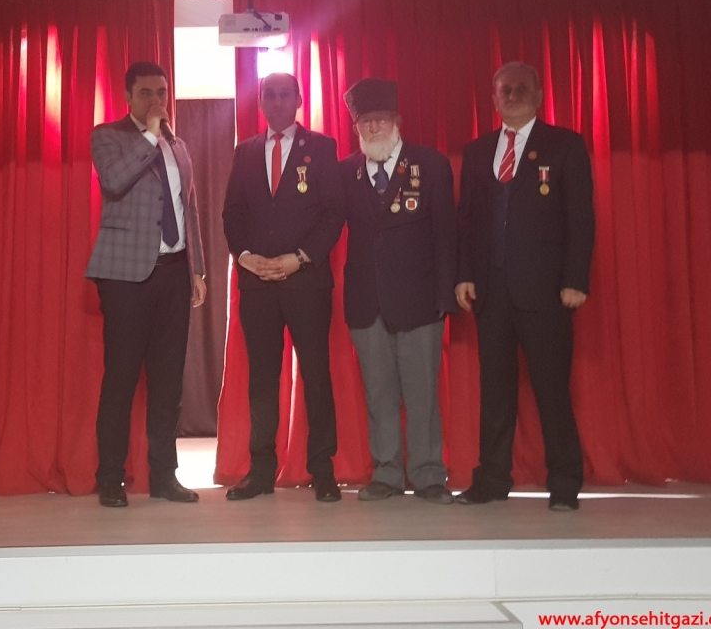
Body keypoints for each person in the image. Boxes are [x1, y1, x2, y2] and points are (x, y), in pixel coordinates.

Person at [454, 61, 595, 512]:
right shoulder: (478, 151)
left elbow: (581, 218)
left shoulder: (565, 145)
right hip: (490, 292)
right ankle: (493, 479)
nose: (512, 96)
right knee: (495, 392)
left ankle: (565, 483)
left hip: (547, 291)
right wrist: (464, 274)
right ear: (493, 98)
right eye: (504, 90)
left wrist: (575, 279)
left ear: (538, 95)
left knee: (552, 390)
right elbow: (467, 220)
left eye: (520, 89)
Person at [85, 61, 207, 508]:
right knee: (120, 379)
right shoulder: (108, 136)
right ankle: (110, 478)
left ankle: (164, 476)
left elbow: (188, 207)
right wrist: (150, 136)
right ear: (128, 97)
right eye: (146, 93)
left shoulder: (179, 145)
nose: (157, 101)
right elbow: (114, 182)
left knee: (168, 382)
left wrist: (197, 270)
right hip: (125, 276)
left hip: (173, 272)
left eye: (162, 92)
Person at [222, 72, 346, 502]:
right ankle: (260, 470)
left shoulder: (323, 148)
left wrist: (300, 257)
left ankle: (322, 469)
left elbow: (333, 212)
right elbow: (232, 214)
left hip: (306, 280)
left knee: (316, 374)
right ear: (260, 102)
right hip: (257, 283)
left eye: (284, 94)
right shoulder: (245, 151)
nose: (277, 101)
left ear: (298, 100)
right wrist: (244, 256)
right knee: (262, 378)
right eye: (269, 95)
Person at [338, 78, 457, 504]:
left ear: (397, 121)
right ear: (356, 126)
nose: (374, 128)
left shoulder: (431, 164)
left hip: (420, 301)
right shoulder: (344, 172)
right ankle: (386, 472)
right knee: (379, 394)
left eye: (381, 119)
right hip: (366, 302)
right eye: (365, 121)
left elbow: (446, 234)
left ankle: (428, 475)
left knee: (422, 394)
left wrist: (446, 296)